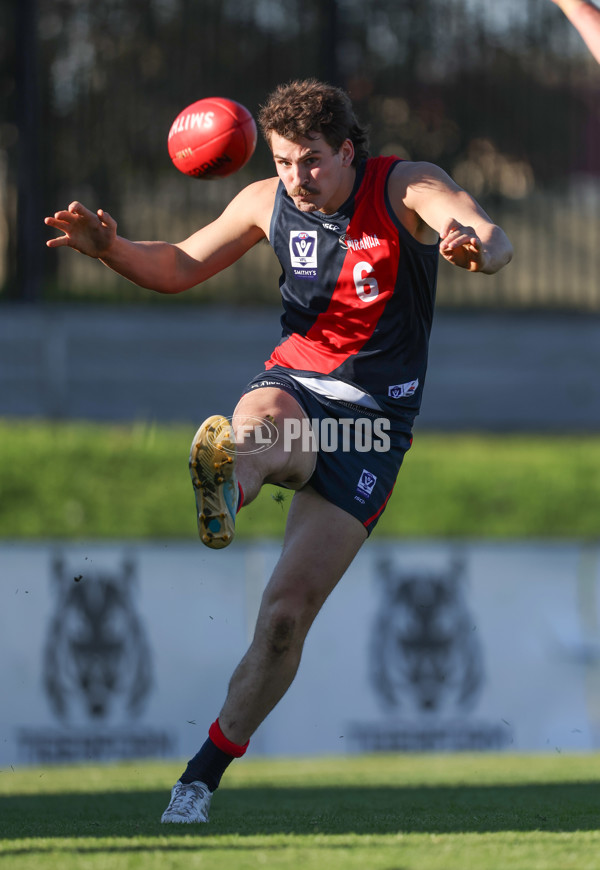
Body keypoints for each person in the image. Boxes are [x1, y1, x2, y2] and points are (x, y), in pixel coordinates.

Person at [45, 78, 513, 823]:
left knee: (286, 618)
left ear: (349, 151)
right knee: (264, 428)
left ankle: (199, 777)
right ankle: (227, 484)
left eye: (313, 162)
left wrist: (470, 249)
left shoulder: (406, 186)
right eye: (286, 161)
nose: (298, 177)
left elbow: (492, 236)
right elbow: (178, 266)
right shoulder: (266, 201)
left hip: (375, 429)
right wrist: (110, 249)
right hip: (297, 386)